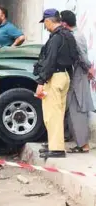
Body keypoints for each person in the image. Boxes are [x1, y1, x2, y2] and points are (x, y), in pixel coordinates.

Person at [35, 9, 78, 158]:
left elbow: (50, 61)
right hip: (64, 76)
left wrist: (41, 81)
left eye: (45, 23)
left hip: (54, 77)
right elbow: (74, 57)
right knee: (58, 113)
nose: (45, 26)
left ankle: (57, 149)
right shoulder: (68, 35)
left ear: (48, 21)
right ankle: (55, 146)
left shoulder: (55, 38)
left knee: (51, 114)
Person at [61, 10, 93, 153]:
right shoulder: (74, 35)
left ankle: (83, 145)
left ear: (64, 23)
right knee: (71, 109)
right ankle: (77, 141)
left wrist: (89, 68)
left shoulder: (76, 36)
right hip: (75, 75)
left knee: (77, 109)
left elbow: (82, 56)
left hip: (78, 76)